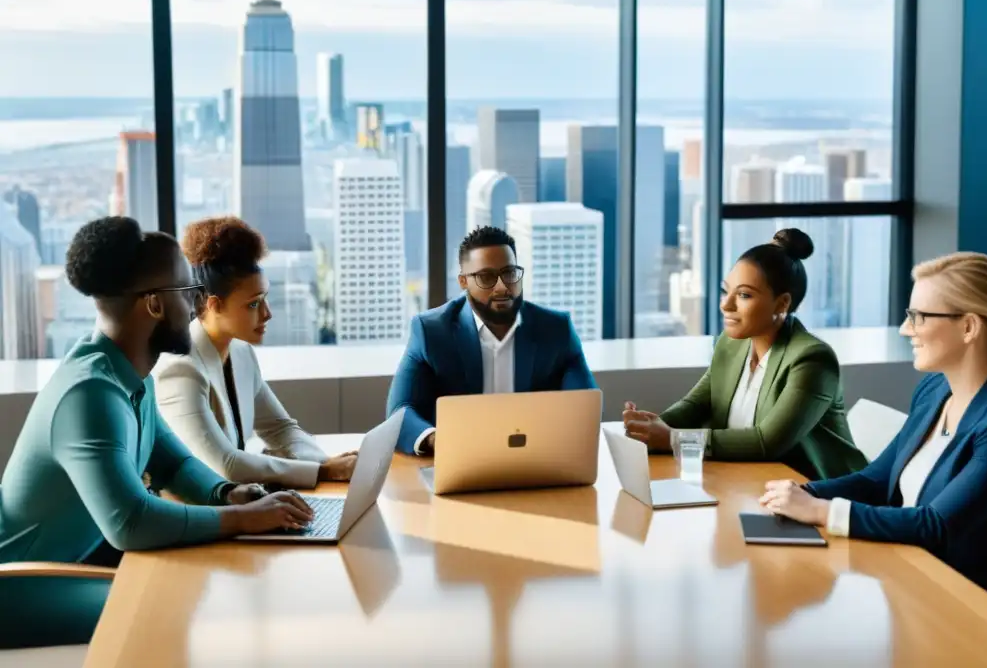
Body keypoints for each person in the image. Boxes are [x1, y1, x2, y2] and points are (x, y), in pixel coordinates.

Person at [0, 217, 314, 566]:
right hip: (26, 586)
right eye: (187, 292)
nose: (196, 305)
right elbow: (131, 522)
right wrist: (246, 519)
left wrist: (228, 494)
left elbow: (173, 464)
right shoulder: (89, 395)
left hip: (84, 562)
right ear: (154, 304)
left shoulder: (132, 379)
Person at [760, 252, 987, 594]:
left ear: (969, 327)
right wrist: (801, 494)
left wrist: (822, 511)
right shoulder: (934, 390)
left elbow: (937, 525)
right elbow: (875, 479)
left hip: (974, 596)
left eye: (919, 317)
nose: (905, 329)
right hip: (911, 572)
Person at [623, 228, 866, 480]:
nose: (725, 305)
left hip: (823, 496)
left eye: (744, 295)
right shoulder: (731, 343)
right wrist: (649, 428)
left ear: (782, 303)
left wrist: (673, 439)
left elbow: (768, 442)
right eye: (725, 291)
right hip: (750, 483)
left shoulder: (812, 360)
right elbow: (697, 404)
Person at [153, 217, 356, 488]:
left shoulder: (240, 352)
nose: (267, 313)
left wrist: (325, 463)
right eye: (253, 304)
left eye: (265, 298)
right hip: (199, 515)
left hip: (241, 503)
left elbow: (280, 428)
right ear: (214, 305)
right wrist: (323, 472)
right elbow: (226, 465)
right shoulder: (180, 369)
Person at [386, 225, 597, 455]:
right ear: (463, 281)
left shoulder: (556, 330)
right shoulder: (432, 331)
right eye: (486, 277)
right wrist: (437, 439)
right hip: (463, 461)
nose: (501, 287)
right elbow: (399, 412)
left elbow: (585, 406)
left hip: (536, 461)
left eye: (509, 273)